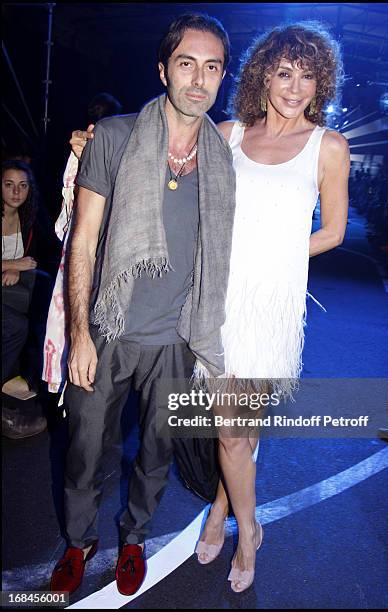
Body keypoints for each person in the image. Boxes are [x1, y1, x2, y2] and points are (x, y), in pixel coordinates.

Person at [50, 13, 235, 597]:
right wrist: (80, 332)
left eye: (212, 67)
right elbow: (83, 240)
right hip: (109, 327)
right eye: (187, 64)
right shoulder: (115, 137)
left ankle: (134, 540)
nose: (199, 79)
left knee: (155, 453)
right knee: (84, 451)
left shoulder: (223, 157)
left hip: (177, 339)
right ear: (163, 70)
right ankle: (79, 543)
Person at [193, 21, 349, 592]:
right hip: (220, 300)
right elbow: (172, 170)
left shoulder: (327, 147)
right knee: (234, 430)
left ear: (319, 84)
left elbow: (332, 231)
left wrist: (278, 256)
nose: (294, 87)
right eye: (284, 72)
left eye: (307, 76)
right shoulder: (228, 134)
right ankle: (229, 516)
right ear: (263, 74)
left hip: (272, 303)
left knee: (236, 432)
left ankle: (241, 528)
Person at [42, 93, 123, 394]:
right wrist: (80, 160)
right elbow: (68, 227)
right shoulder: (79, 157)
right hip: (83, 263)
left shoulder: (126, 157)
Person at [2, 159, 48, 438]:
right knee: (17, 325)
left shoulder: (29, 217)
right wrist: (13, 264)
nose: (16, 192)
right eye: (9, 185)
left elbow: (41, 256)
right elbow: (23, 262)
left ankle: (34, 372)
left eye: (22, 186)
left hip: (14, 285)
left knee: (42, 287)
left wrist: (15, 268)